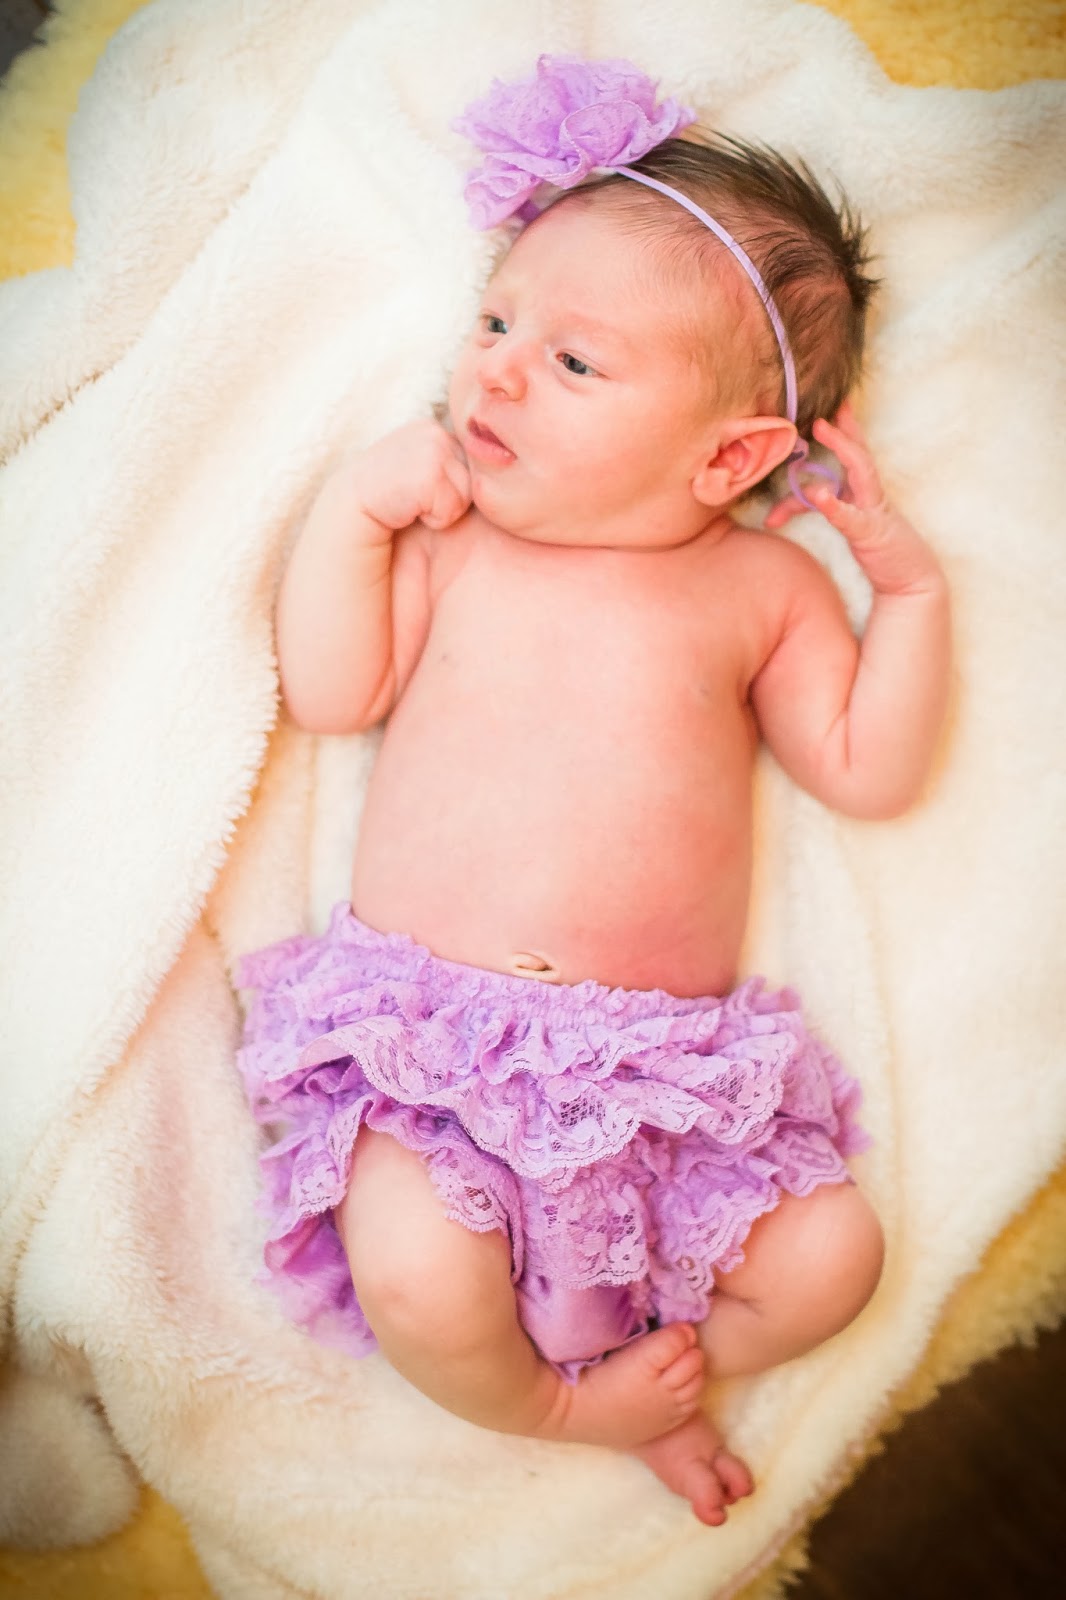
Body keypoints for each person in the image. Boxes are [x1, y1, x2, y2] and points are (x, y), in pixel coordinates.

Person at [237, 60, 950, 1526]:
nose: (494, 371)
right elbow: (332, 692)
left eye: (572, 362)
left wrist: (909, 593)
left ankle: (667, 1376)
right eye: (495, 323)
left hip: (658, 1085)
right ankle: (559, 1405)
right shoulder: (454, 545)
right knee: (418, 1275)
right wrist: (354, 516)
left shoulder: (763, 590)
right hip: (436, 1060)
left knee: (835, 1260)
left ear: (731, 455)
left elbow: (868, 770)